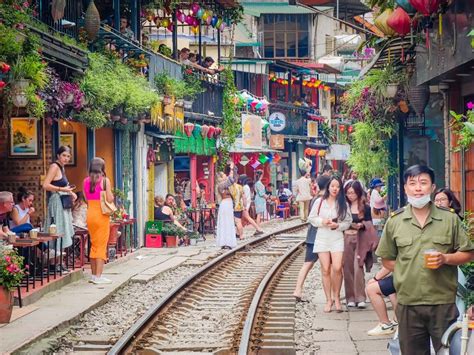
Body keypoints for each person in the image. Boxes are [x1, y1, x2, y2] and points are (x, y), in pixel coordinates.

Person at [376, 164, 474, 355]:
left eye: (423, 183)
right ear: (405, 188)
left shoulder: (450, 220)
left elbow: (468, 254)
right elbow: (387, 259)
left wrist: (445, 258)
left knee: (447, 351)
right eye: (412, 183)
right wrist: (407, 268)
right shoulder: (395, 221)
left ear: (433, 187)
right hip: (408, 303)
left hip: (442, 303)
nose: (418, 188)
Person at [308, 176, 352, 313]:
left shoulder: (343, 203)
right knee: (325, 269)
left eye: (338, 186)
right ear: (328, 187)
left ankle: (337, 297)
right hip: (322, 237)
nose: (335, 189)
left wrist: (337, 225)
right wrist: (322, 221)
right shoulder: (320, 202)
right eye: (332, 186)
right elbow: (311, 218)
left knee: (338, 267)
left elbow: (348, 221)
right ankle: (329, 300)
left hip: (336, 237)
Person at [293, 175, 331, 301]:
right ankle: (329, 296)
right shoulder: (324, 200)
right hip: (321, 236)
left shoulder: (314, 198)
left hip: (311, 236)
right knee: (326, 267)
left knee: (307, 264)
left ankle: (298, 289)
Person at [42, 146, 76, 272]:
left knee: (63, 229)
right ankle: (54, 263)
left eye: (68, 156)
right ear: (58, 155)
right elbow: (45, 185)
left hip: (62, 201)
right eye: (64, 155)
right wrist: (62, 190)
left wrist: (71, 193)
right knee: (57, 228)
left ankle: (59, 262)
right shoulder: (54, 166)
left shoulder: (62, 168)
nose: (66, 158)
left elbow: (64, 184)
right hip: (56, 201)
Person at [343, 180, 374, 309]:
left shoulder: (365, 207)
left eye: (353, 193)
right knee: (347, 268)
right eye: (348, 193)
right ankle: (350, 297)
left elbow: (370, 223)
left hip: (360, 238)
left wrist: (362, 224)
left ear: (358, 192)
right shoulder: (344, 207)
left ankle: (360, 297)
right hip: (346, 237)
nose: (351, 195)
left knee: (358, 267)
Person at [83, 158, 114, 284]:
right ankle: (98, 276)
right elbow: (110, 199)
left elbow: (85, 198)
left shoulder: (85, 181)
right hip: (101, 215)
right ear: (102, 169)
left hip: (90, 213)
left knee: (93, 244)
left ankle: (93, 275)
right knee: (101, 245)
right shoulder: (105, 181)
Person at [366, 267, 398, 336]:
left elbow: (390, 264)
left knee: (371, 289)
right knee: (392, 291)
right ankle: (397, 319)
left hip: (407, 277)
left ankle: (385, 324)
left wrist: (375, 279)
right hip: (421, 276)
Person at [216, 163, 238, 249]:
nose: (225, 175)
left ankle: (227, 242)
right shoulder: (221, 185)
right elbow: (231, 180)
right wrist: (231, 169)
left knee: (228, 222)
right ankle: (226, 242)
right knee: (226, 223)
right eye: (223, 174)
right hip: (225, 204)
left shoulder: (224, 185)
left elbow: (234, 179)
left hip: (227, 204)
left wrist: (234, 169)